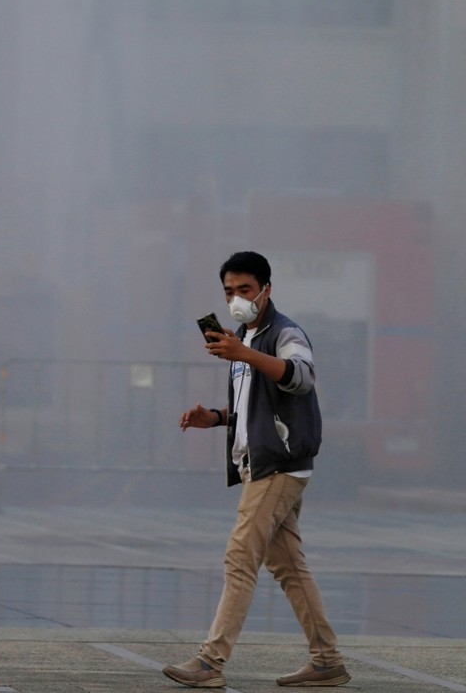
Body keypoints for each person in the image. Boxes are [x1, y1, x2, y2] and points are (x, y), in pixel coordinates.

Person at [164, 251, 350, 689]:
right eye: (228, 291)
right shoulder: (243, 341)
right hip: (261, 464)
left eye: (244, 290)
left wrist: (244, 353)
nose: (236, 299)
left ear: (266, 289)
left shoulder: (283, 333)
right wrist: (216, 416)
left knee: (240, 557)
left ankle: (211, 662)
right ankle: (327, 662)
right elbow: (257, 406)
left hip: (278, 466)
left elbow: (301, 377)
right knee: (288, 566)